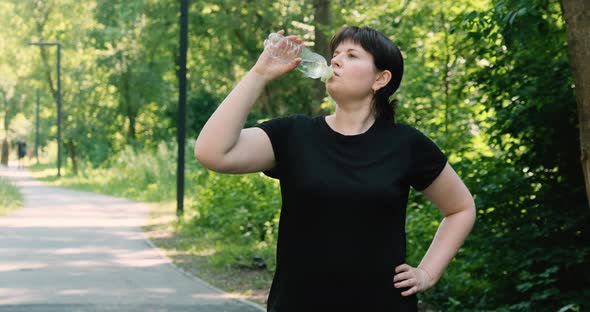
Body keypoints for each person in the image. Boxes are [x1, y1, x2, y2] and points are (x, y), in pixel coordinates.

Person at [195, 26, 476, 312]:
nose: (336, 61)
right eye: (336, 54)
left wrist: (427, 273)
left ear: (381, 79)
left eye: (352, 55)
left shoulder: (407, 144)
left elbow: (461, 209)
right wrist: (259, 74)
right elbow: (212, 152)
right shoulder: (294, 135)